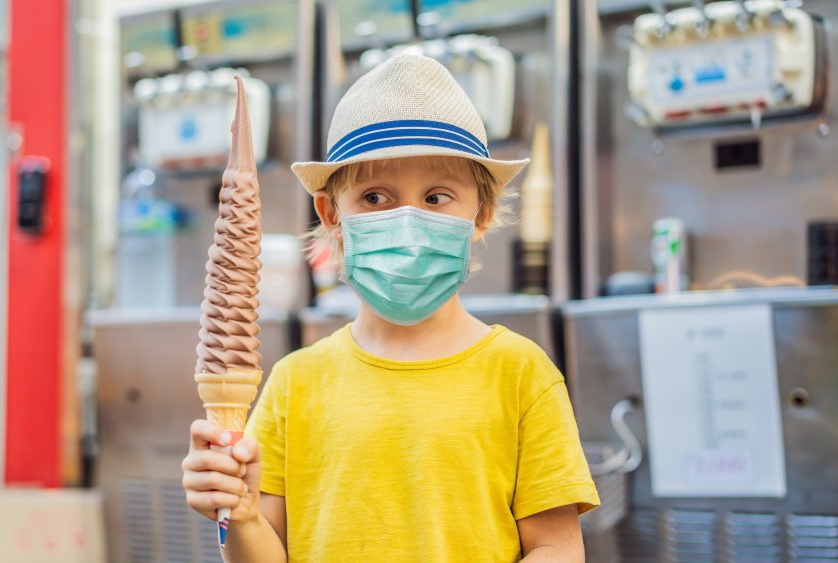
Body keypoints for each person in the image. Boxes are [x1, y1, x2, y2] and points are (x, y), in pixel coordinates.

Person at [183, 53, 599, 562]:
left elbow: (557, 547)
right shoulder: (295, 383)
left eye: (437, 197)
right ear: (331, 213)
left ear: (482, 213)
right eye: (375, 198)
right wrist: (240, 516)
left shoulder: (521, 374)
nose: (406, 221)